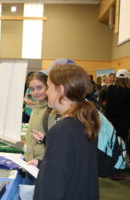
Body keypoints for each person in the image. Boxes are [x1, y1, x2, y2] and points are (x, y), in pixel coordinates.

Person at [31, 64, 100, 200]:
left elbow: (52, 187)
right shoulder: (85, 121)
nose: (47, 92)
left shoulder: (62, 129)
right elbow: (72, 165)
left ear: (60, 90)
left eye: (49, 87)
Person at [24, 72, 57, 162]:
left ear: (48, 87)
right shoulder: (36, 108)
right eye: (32, 89)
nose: (36, 92)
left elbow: (53, 142)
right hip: (30, 161)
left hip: (41, 162)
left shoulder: (52, 111)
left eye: (39, 88)